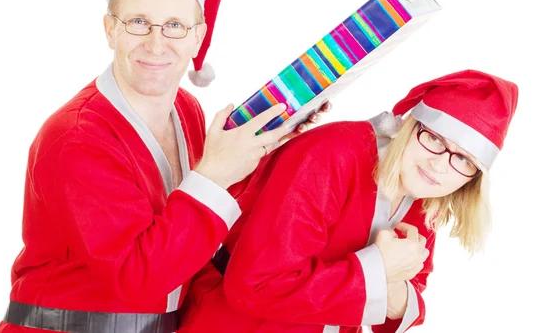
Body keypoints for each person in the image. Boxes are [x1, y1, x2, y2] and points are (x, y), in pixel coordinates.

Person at [0, 0, 329, 333]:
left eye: (174, 25)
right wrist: (215, 173)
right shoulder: (77, 136)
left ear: (198, 37)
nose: (156, 44)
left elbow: (194, 230)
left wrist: (267, 143)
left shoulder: (186, 109)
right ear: (110, 29)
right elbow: (138, 279)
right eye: (139, 22)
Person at [178, 69, 519, 333]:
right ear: (412, 125)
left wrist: (392, 287)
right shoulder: (333, 154)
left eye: (464, 160)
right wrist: (380, 271)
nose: (439, 163)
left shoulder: (425, 189)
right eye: (433, 138)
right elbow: (253, 285)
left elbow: (407, 301)